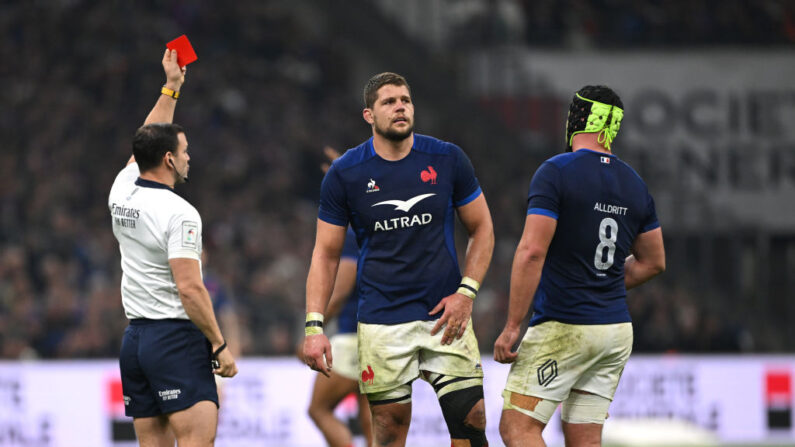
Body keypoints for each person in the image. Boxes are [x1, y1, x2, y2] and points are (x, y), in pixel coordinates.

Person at [303, 72, 495, 447]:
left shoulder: (447, 158)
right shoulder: (345, 173)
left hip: (445, 315)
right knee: (389, 428)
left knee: (472, 420)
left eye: (405, 100)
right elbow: (325, 254)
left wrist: (466, 294)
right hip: (382, 321)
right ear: (368, 115)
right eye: (388, 102)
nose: (400, 107)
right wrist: (313, 327)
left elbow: (483, 228)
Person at [493, 85, 666, 447]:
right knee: (585, 440)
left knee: (518, 428)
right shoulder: (635, 184)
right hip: (614, 331)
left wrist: (512, 326)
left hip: (565, 325)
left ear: (576, 119)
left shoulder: (556, 171)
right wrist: (602, 282)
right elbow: (654, 262)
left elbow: (531, 252)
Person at [109, 49, 237, 447]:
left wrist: (171, 88)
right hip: (176, 340)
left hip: (136, 342)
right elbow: (190, 288)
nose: (188, 156)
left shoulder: (122, 188)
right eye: (183, 151)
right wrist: (219, 344)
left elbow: (146, 137)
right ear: (168, 159)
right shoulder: (180, 213)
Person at [307, 147, 372, 447]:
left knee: (318, 409)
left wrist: (313, 330)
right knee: (370, 414)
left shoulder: (351, 235)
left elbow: (342, 288)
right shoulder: (372, 230)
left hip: (351, 336)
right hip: (376, 334)